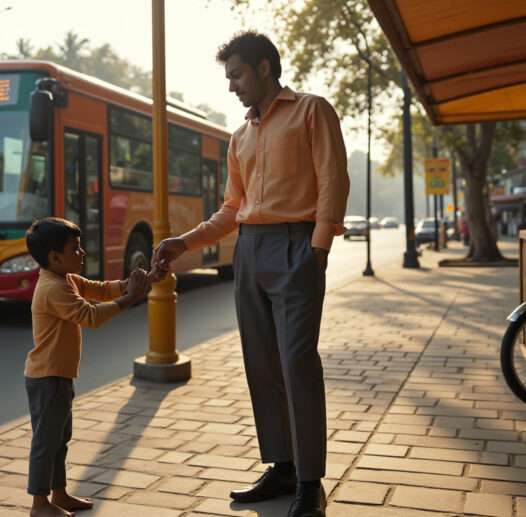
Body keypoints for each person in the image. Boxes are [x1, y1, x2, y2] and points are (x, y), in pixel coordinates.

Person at [152, 31, 349, 517]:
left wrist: (318, 250)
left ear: (265, 69)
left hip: (297, 247)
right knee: (261, 364)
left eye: (236, 74)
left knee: (297, 362)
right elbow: (230, 208)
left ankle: (309, 481)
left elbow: (333, 179)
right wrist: (184, 242)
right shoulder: (239, 136)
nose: (231, 86)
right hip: (250, 251)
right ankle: (281, 465)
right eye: (228, 77)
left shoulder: (311, 110)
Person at [24, 217, 164, 517]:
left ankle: (58, 495)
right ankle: (39, 504)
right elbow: (91, 316)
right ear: (55, 257)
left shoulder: (66, 279)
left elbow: (101, 290)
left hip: (58, 376)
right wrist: (131, 298)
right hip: (47, 377)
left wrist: (146, 280)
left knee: (60, 441)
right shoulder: (53, 288)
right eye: (76, 248)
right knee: (45, 444)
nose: (83, 252)